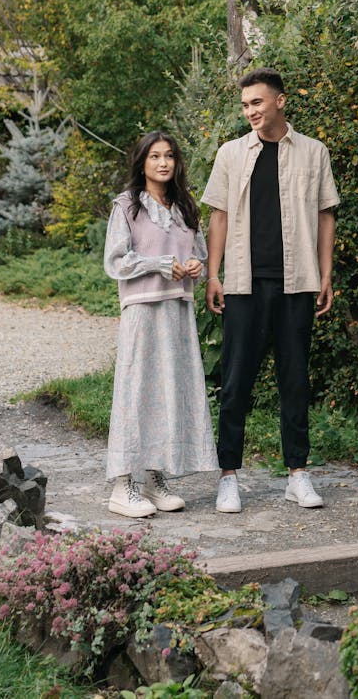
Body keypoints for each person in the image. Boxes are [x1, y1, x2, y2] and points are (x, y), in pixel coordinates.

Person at [202, 68, 339, 513]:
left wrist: (326, 275)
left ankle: (297, 474)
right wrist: (213, 274)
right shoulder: (230, 154)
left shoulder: (314, 153)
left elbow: (325, 217)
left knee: (295, 380)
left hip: (297, 282)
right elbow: (218, 216)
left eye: (257, 103)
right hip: (243, 283)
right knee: (236, 380)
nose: (251, 112)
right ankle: (229, 477)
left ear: (280, 101)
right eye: (245, 106)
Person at [104, 130, 218, 517]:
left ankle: (154, 479)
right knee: (137, 392)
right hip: (142, 309)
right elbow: (116, 261)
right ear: (142, 162)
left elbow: (198, 253)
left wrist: (195, 266)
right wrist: (160, 264)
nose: (163, 163)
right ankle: (123, 485)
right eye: (154, 156)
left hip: (178, 310)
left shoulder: (186, 207)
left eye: (168, 156)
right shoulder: (126, 207)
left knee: (169, 392)